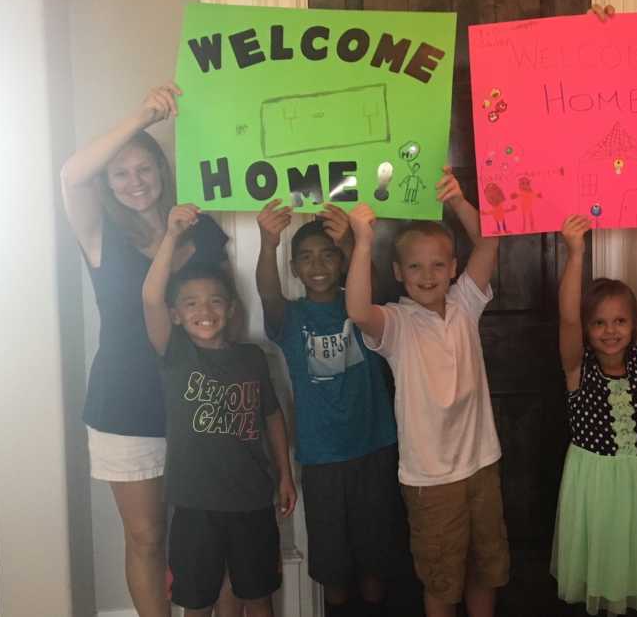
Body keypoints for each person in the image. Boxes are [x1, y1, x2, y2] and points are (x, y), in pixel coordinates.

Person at [60, 83, 235, 616]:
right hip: (124, 404)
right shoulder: (100, 234)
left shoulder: (200, 231)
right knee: (145, 537)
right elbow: (70, 175)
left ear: (163, 172)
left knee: (209, 531)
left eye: (145, 169)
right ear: (109, 184)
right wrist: (142, 116)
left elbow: (224, 313)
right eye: (121, 173)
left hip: (197, 399)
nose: (135, 182)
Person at [344, 167, 509, 617]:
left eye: (439, 264)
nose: (428, 274)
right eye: (415, 266)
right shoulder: (396, 323)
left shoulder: (465, 303)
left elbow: (489, 241)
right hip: (430, 481)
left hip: (481, 465)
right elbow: (358, 310)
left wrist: (457, 200)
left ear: (454, 268)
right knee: (441, 580)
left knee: (484, 568)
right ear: (398, 273)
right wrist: (362, 242)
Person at [142, 204, 297, 617]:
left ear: (230, 309)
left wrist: (285, 474)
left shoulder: (252, 359)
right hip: (194, 506)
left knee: (258, 595)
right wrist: (172, 235)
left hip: (252, 503)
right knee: (197, 602)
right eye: (190, 304)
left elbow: (272, 417)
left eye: (214, 302)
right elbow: (150, 297)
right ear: (176, 316)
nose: (204, 311)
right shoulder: (175, 355)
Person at [255, 200, 403, 617]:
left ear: (342, 263)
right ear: (294, 269)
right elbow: (267, 291)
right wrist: (268, 244)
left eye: (327, 254)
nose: (317, 264)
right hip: (322, 460)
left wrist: (355, 242)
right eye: (305, 257)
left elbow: (371, 287)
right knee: (333, 566)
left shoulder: (360, 305)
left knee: (376, 559)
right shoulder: (291, 316)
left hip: (374, 448)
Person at [551, 209, 637, 615]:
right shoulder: (576, 366)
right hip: (595, 482)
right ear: (587, 329)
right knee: (606, 567)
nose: (610, 330)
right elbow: (567, 315)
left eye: (620, 321)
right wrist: (575, 253)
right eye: (598, 323)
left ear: (633, 324)